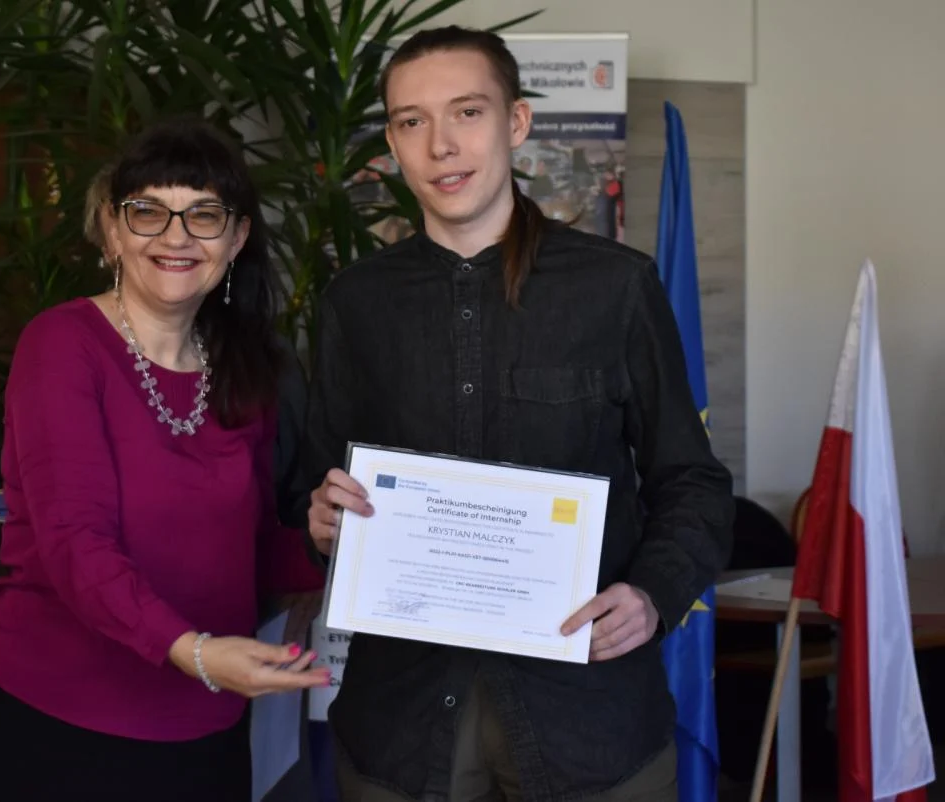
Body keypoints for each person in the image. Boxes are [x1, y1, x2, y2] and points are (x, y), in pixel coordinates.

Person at [305, 27, 735, 802]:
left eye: (467, 112)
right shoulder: (354, 305)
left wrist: (652, 595)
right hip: (402, 722)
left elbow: (693, 482)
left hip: (588, 720)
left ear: (517, 122)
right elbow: (315, 481)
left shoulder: (616, 288)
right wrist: (321, 517)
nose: (441, 144)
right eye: (411, 121)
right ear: (393, 144)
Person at [0, 118, 330, 801]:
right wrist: (195, 652)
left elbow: (245, 550)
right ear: (112, 230)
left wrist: (325, 543)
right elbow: (75, 544)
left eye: (204, 215)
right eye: (148, 212)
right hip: (63, 721)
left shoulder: (247, 368)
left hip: (208, 721)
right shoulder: (62, 344)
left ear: (237, 238)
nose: (176, 236)